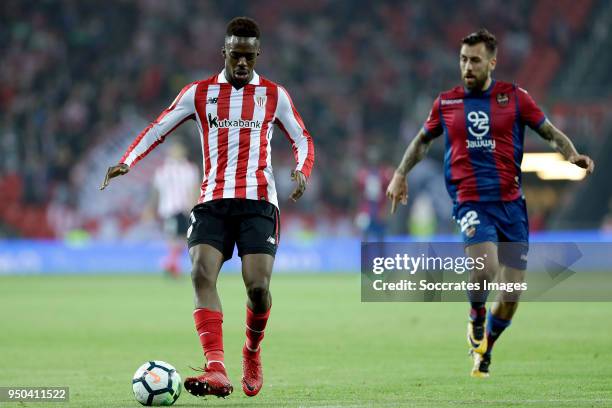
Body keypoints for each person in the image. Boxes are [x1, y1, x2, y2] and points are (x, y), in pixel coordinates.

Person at [100, 16, 314, 398]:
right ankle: (216, 367)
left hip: (258, 201)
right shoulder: (198, 93)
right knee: (201, 273)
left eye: (249, 56)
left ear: (258, 54)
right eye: (236, 55)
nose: (243, 63)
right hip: (212, 199)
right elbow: (158, 127)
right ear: (224, 52)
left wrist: (301, 169)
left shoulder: (274, 95)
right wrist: (128, 161)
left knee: (258, 288)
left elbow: (302, 137)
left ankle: (251, 351)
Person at [386, 29, 594, 378]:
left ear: (492, 63)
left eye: (475, 60)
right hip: (470, 201)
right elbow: (422, 141)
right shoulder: (447, 103)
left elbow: (549, 132)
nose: (467, 67)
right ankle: (475, 316)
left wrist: (571, 155)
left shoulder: (514, 98)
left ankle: (485, 348)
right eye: (463, 60)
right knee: (485, 267)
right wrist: (399, 173)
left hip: (511, 204)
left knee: (511, 295)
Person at [151, 142, 200, 278]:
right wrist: (151, 208)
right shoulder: (163, 170)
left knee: (183, 238)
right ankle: (172, 265)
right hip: (169, 209)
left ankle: (170, 264)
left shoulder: (190, 169)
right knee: (173, 238)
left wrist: (194, 207)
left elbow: (194, 189)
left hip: (185, 208)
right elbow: (157, 191)